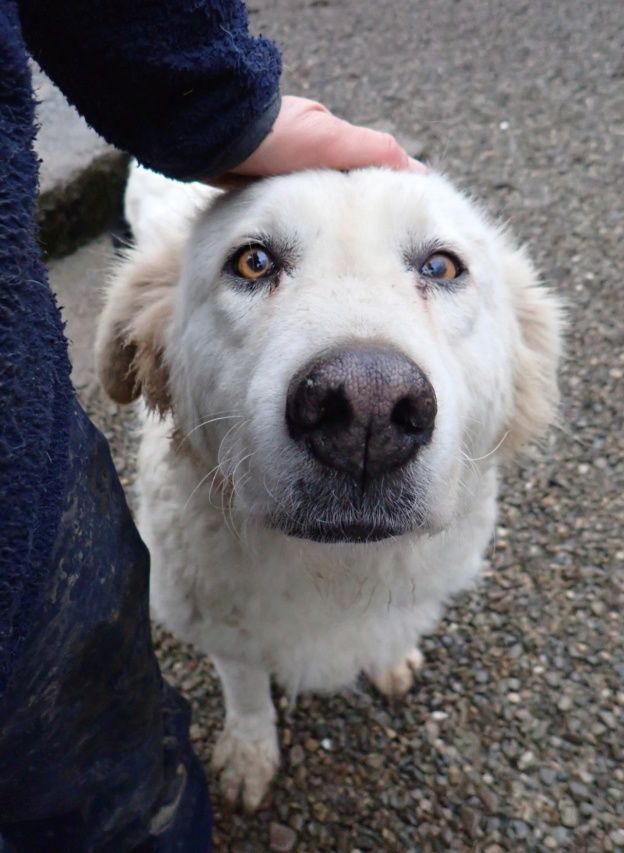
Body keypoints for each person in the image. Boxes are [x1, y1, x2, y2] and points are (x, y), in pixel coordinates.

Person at [0, 1, 424, 849]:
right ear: (146, 352)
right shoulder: (164, 319)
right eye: (254, 263)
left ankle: (383, 628)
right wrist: (248, 716)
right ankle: (249, 710)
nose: (367, 406)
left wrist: (215, 96)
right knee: (198, 644)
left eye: (436, 269)